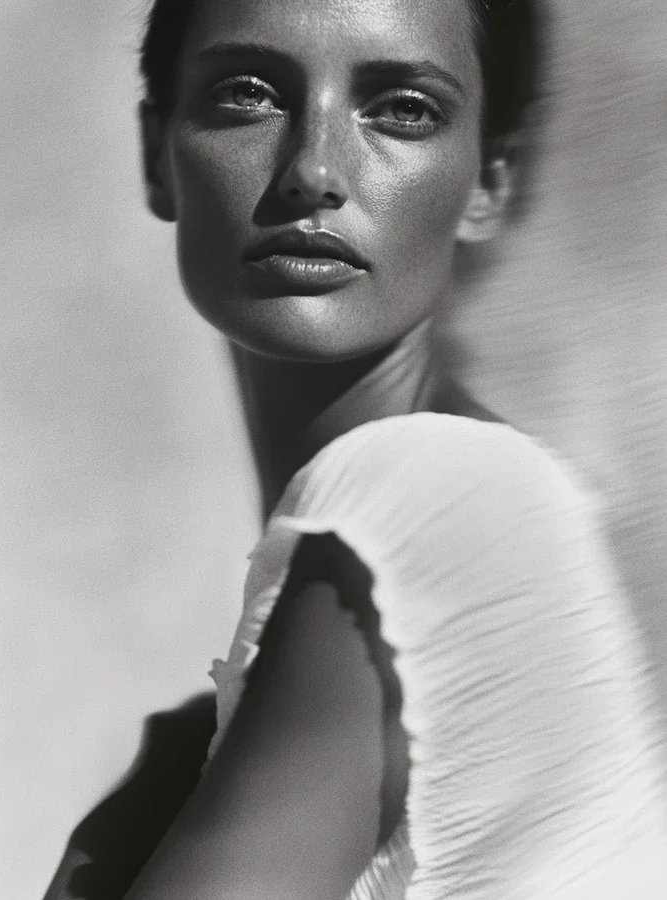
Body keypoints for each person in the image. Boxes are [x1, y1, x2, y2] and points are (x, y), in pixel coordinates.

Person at [47, 0, 667, 897]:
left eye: (403, 108)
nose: (313, 170)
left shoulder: (436, 499)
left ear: (489, 180)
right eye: (249, 95)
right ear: (157, 152)